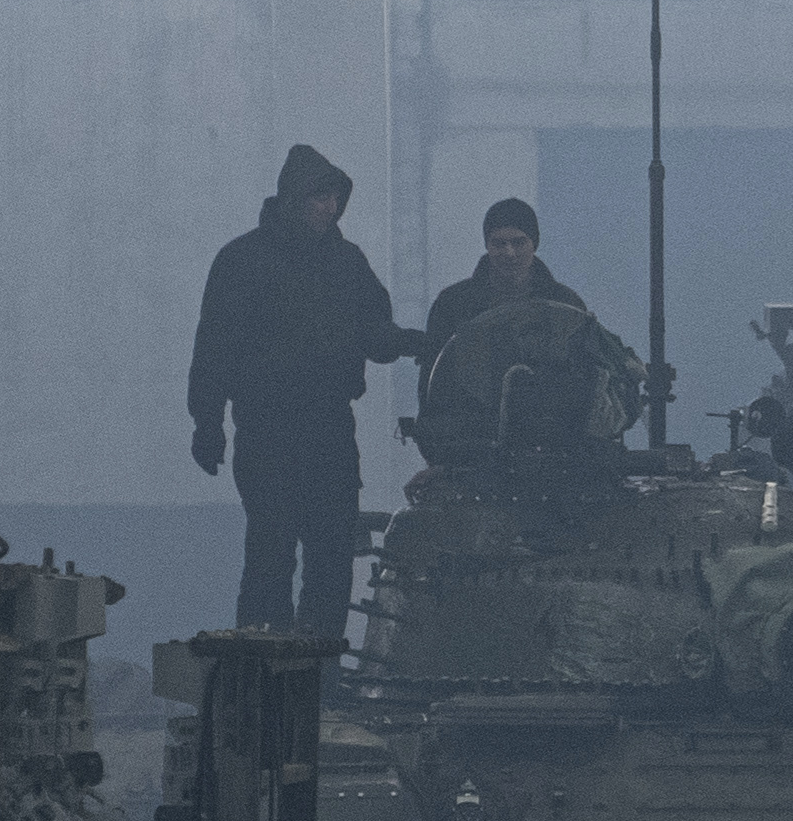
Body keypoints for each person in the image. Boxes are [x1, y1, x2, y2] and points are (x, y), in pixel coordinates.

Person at [188, 145, 422, 641]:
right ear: (293, 199)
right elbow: (214, 349)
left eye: (334, 198)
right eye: (319, 197)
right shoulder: (244, 261)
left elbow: (375, 333)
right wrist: (206, 422)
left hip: (329, 428)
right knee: (271, 558)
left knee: (331, 560)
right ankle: (261, 680)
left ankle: (321, 685)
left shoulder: (345, 262)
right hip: (267, 428)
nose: (329, 208)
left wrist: (413, 343)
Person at [418, 197, 586, 402]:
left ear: (534, 243)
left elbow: (583, 375)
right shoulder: (453, 304)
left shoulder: (566, 303)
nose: (509, 253)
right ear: (487, 245)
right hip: (470, 427)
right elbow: (433, 378)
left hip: (548, 427)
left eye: (518, 242)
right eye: (499, 243)